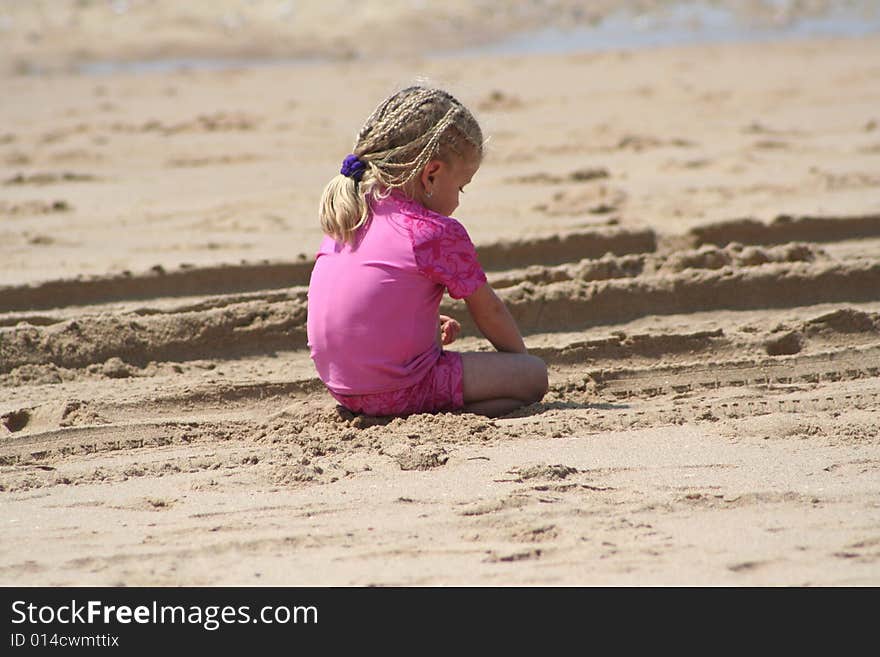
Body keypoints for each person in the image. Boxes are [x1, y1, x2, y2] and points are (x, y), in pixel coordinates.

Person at [307, 85, 548, 418]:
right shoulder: (432, 231)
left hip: (344, 390)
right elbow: (489, 310)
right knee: (533, 377)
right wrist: (519, 362)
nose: (460, 198)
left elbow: (368, 299)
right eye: (461, 186)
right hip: (401, 389)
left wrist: (425, 325)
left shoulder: (350, 210)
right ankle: (436, 409)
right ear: (431, 174)